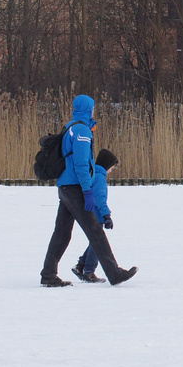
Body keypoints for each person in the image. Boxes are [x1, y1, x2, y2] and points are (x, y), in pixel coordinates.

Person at [39, 94, 137, 286]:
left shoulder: (70, 126)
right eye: (92, 108)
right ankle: (114, 273)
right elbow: (82, 165)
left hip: (65, 187)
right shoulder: (82, 131)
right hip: (76, 188)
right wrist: (87, 191)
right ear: (87, 109)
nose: (94, 111)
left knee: (61, 233)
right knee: (95, 230)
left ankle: (48, 275)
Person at [71, 149, 120, 283]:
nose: (112, 170)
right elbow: (100, 199)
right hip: (97, 215)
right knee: (97, 244)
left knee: (94, 241)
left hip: (90, 214)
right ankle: (89, 272)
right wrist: (106, 215)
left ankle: (80, 266)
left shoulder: (93, 174)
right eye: (112, 167)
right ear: (107, 165)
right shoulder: (99, 177)